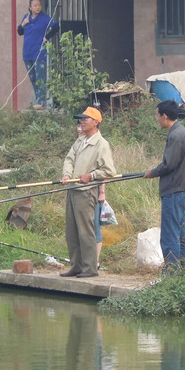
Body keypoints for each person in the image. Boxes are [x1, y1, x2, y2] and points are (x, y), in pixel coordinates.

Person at [61, 107, 116, 278]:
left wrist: (91, 176)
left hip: (86, 191)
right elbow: (69, 159)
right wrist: (67, 174)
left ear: (96, 122)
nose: (82, 122)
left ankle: (90, 267)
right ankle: (76, 265)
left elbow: (109, 171)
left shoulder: (101, 144)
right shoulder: (80, 141)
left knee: (86, 230)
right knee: (72, 230)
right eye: (81, 119)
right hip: (72, 189)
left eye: (86, 119)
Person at [144, 100, 185, 274]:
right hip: (183, 190)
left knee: (169, 235)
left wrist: (152, 172)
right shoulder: (183, 132)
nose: (156, 119)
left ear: (165, 116)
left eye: (157, 115)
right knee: (181, 232)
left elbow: (168, 165)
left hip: (174, 191)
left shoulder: (175, 135)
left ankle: (171, 274)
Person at [17, 0, 58, 109]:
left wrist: (47, 37)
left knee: (40, 78)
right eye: (35, 5)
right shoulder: (26, 18)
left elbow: (56, 27)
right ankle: (39, 101)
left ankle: (41, 102)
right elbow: (19, 32)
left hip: (39, 53)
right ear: (30, 7)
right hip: (27, 53)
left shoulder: (44, 19)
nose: (37, 7)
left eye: (39, 5)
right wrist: (23, 24)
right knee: (33, 78)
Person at [76, 122, 106, 268]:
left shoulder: (100, 144)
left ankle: (95, 261)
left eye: (82, 126)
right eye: (78, 127)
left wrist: (102, 192)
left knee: (94, 227)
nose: (80, 129)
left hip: (93, 192)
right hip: (77, 193)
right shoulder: (78, 144)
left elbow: (104, 172)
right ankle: (84, 261)